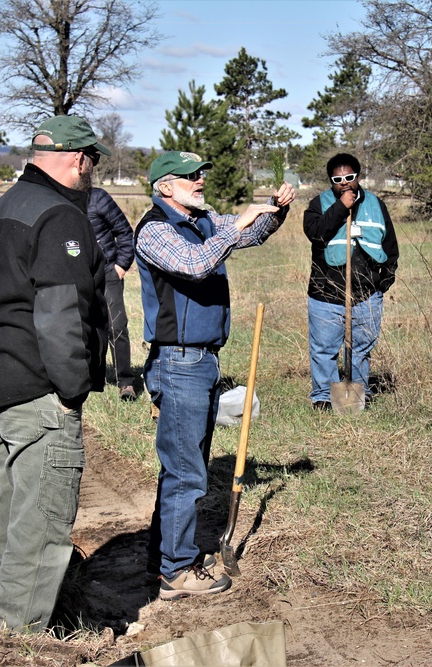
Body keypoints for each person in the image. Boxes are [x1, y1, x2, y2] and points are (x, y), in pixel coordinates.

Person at [0, 115, 110, 632]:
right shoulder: (60, 216)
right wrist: (71, 391)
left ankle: (0, 618)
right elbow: (61, 313)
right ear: (79, 159)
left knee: (9, 511)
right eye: (93, 162)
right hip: (37, 391)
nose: (92, 171)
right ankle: (16, 638)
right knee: (42, 519)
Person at [135, 150, 295, 599]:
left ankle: (165, 554)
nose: (200, 180)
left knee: (186, 466)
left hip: (202, 360)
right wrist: (238, 221)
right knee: (186, 470)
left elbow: (250, 235)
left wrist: (275, 210)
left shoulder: (200, 220)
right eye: (189, 176)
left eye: (201, 173)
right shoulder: (155, 230)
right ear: (165, 186)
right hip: (178, 362)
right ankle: (176, 571)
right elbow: (195, 263)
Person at [303, 153, 399, 410]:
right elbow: (315, 233)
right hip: (326, 293)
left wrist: (383, 281)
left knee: (360, 349)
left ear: (358, 176)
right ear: (331, 181)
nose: (344, 183)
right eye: (338, 179)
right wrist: (340, 207)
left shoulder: (376, 205)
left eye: (349, 177)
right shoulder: (319, 204)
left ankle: (357, 398)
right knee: (324, 350)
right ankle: (324, 398)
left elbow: (390, 245)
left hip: (367, 294)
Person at [88, 187, 138, 400]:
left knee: (116, 325)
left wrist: (121, 265)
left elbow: (125, 231)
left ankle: (125, 382)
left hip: (108, 271)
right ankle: (90, 378)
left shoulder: (97, 197)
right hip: (76, 273)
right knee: (84, 326)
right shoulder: (58, 197)